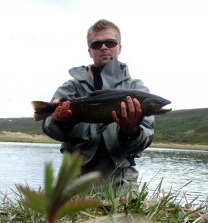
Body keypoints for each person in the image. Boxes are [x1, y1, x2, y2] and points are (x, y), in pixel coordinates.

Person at [42, 19, 154, 187]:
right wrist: (61, 122)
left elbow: (144, 140)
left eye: (110, 42)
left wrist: (131, 130)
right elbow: (50, 127)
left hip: (122, 180)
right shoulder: (71, 87)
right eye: (97, 44)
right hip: (74, 178)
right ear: (90, 51)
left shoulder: (137, 89)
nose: (104, 47)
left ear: (119, 47)